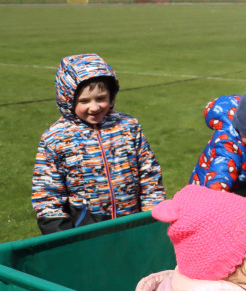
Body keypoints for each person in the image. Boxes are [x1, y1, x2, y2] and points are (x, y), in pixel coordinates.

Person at [31, 53, 165, 234]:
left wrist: (152, 213)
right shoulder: (55, 138)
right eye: (84, 101)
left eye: (101, 98)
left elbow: (149, 172)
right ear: (67, 99)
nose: (94, 107)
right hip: (87, 230)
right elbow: (47, 194)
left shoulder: (128, 126)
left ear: (111, 95)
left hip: (133, 221)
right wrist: (63, 236)